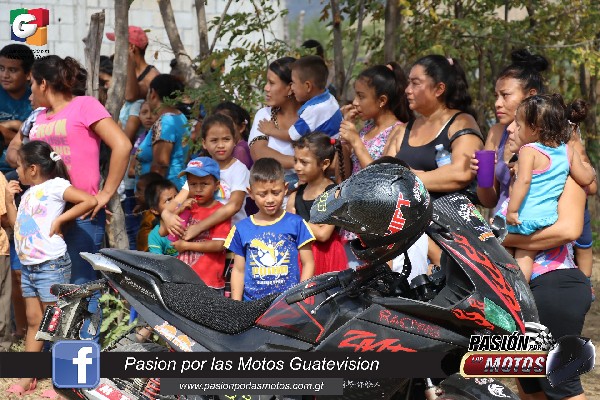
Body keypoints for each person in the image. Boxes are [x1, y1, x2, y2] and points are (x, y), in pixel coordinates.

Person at [27, 55, 131, 344]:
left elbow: (122, 145)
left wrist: (105, 194)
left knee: (81, 289)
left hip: (81, 212)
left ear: (43, 83)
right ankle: (57, 356)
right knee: (52, 291)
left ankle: (83, 361)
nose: (30, 91)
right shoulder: (39, 117)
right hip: (45, 216)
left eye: (32, 84)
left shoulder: (85, 105)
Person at [5, 141, 97, 396]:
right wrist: (11, 202)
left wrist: (60, 219)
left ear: (33, 168)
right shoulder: (28, 194)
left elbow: (89, 200)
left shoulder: (56, 185)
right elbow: (17, 226)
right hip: (30, 267)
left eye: (20, 166)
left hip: (50, 265)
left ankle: (67, 383)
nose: (17, 172)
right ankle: (28, 376)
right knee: (34, 321)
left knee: (58, 322)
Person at [385, 55, 483, 265]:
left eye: (416, 83)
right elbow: (383, 177)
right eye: (408, 83)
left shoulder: (462, 122)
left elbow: (461, 173)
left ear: (439, 89)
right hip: (402, 231)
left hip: (449, 234)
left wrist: (409, 178)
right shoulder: (401, 131)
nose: (407, 90)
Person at [496, 94, 595, 282]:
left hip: (524, 216)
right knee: (525, 253)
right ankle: (523, 288)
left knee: (506, 251)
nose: (515, 129)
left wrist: (512, 211)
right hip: (547, 218)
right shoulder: (567, 151)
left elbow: (524, 181)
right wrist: (591, 171)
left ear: (534, 129)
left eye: (519, 125)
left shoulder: (529, 151)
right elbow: (585, 179)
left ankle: (511, 290)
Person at [224, 158, 315, 301]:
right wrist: (236, 306)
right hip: (252, 306)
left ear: (285, 188)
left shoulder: (296, 223)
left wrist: (301, 296)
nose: (270, 199)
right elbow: (239, 270)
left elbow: (308, 263)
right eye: (262, 194)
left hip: (288, 304)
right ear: (251, 193)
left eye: (276, 192)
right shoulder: (241, 228)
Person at [472, 49, 549, 213]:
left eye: (505, 95)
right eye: (496, 96)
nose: (497, 103)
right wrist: (482, 177)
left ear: (530, 95)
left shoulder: (552, 134)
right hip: (502, 224)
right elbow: (489, 201)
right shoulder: (496, 132)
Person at [162, 114, 249, 241]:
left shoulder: (238, 169)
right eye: (214, 140)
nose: (220, 145)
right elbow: (177, 201)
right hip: (204, 238)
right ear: (204, 143)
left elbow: (234, 205)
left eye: (226, 139)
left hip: (233, 238)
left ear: (235, 140)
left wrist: (198, 227)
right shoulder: (199, 168)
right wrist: (166, 214)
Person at [286, 133, 347, 275]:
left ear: (324, 164)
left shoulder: (334, 193)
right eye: (295, 161)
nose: (297, 167)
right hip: (301, 258)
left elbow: (323, 233)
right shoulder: (295, 195)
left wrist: (296, 221)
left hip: (328, 258)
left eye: (304, 162)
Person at [339, 63, 412, 180]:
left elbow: (381, 179)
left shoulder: (397, 132)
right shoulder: (366, 130)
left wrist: (356, 141)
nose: (355, 102)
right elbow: (342, 177)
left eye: (361, 96)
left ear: (382, 100)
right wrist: (345, 139)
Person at [172, 157, 230, 291]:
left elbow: (219, 245)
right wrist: (179, 210)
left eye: (204, 184)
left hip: (208, 283)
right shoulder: (188, 207)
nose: (198, 189)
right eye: (193, 184)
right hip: (182, 280)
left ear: (216, 185)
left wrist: (186, 246)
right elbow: (167, 233)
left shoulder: (220, 211)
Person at [249, 57, 301, 183]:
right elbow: (258, 152)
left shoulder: (311, 116)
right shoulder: (264, 115)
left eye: (271, 83)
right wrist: (303, 162)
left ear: (290, 88)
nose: (266, 88)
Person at [135, 74, 190, 190]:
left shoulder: (166, 122)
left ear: (153, 94)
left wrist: (152, 193)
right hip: (175, 186)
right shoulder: (180, 117)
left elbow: (160, 163)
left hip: (165, 191)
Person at [0, 44, 34, 172]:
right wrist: (16, 125)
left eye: (12, 70)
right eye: (1, 68)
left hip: (26, 171)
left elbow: (38, 141)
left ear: (28, 74)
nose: (5, 75)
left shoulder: (36, 97)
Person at [106, 26, 159, 102]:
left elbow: (130, 96)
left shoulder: (151, 76)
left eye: (119, 45)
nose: (116, 50)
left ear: (131, 47)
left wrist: (129, 59)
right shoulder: (128, 71)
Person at [214, 101, 253, 169]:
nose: (220, 128)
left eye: (226, 124)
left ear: (241, 127)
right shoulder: (228, 149)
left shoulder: (239, 151)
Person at [146, 179, 178, 256]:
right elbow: (158, 261)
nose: (176, 203)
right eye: (168, 200)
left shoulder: (191, 220)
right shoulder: (155, 236)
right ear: (154, 210)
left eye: (177, 197)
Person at [135, 172, 163, 252]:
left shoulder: (152, 218)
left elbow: (147, 248)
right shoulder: (147, 212)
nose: (135, 193)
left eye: (139, 190)